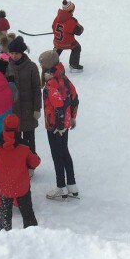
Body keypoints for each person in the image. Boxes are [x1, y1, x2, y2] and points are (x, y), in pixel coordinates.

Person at [0, 114, 41, 231]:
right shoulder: (24, 146)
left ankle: (4, 236)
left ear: (3, 126)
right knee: (28, 214)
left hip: (5, 188)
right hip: (22, 187)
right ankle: (33, 235)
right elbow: (35, 162)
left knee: (5, 216)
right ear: (17, 128)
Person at [40, 51, 80, 201]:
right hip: (65, 123)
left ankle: (61, 187)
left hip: (55, 126)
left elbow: (59, 105)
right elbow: (75, 99)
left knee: (57, 154)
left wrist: (59, 125)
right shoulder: (64, 78)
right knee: (65, 152)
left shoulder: (51, 85)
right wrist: (72, 118)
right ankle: (71, 184)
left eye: (42, 63)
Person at [5, 37, 41, 153]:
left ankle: (31, 166)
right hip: (12, 111)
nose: (14, 56)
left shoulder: (32, 67)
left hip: (28, 111)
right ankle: (19, 167)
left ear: (22, 53)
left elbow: (36, 89)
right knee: (15, 141)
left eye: (17, 53)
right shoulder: (6, 67)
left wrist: (37, 108)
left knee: (29, 140)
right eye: (12, 53)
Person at [53, 0, 84, 71]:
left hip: (57, 41)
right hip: (68, 43)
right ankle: (74, 64)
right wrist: (81, 28)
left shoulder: (57, 18)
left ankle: (51, 62)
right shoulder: (71, 21)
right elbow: (79, 32)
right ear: (71, 10)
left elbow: (53, 26)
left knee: (58, 48)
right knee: (77, 48)